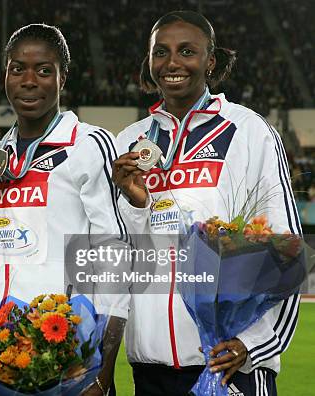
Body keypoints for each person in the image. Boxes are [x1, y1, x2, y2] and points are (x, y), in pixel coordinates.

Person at [112, 11, 300, 396]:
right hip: (150, 369)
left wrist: (255, 343)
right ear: (149, 62)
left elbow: (287, 247)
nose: (172, 63)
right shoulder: (129, 141)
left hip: (230, 364)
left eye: (187, 51)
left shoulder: (248, 131)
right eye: (160, 52)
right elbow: (116, 256)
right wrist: (133, 203)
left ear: (209, 61)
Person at [0, 24, 130, 396]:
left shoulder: (88, 144)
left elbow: (117, 259)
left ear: (62, 78)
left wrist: (103, 370)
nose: (29, 80)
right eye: (17, 69)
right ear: (5, 76)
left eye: (43, 70)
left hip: (66, 361)